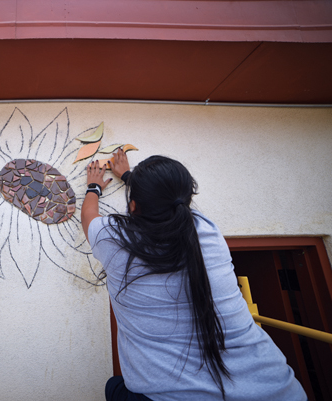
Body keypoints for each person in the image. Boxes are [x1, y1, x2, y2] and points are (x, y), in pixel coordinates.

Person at [81, 149, 307, 401]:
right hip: (278, 390)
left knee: (115, 387)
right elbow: (165, 203)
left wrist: (93, 187)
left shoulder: (114, 239)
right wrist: (131, 177)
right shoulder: (208, 231)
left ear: (133, 206)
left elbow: (89, 216)